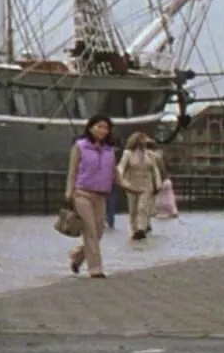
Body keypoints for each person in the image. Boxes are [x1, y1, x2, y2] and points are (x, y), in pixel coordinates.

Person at [65, 115, 116, 277]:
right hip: (82, 193)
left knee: (99, 231)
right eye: (99, 126)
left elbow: (114, 172)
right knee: (90, 230)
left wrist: (129, 185)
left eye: (106, 128)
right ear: (90, 127)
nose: (102, 130)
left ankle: (78, 256)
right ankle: (95, 268)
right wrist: (69, 193)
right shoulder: (80, 146)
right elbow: (72, 171)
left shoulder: (109, 150)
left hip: (101, 195)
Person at [115, 131, 167, 240]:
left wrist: (158, 184)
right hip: (132, 185)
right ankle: (134, 229)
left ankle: (141, 229)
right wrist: (120, 178)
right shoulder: (128, 153)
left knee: (142, 207)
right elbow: (121, 166)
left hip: (146, 185)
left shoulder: (150, 154)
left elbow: (155, 169)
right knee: (133, 209)